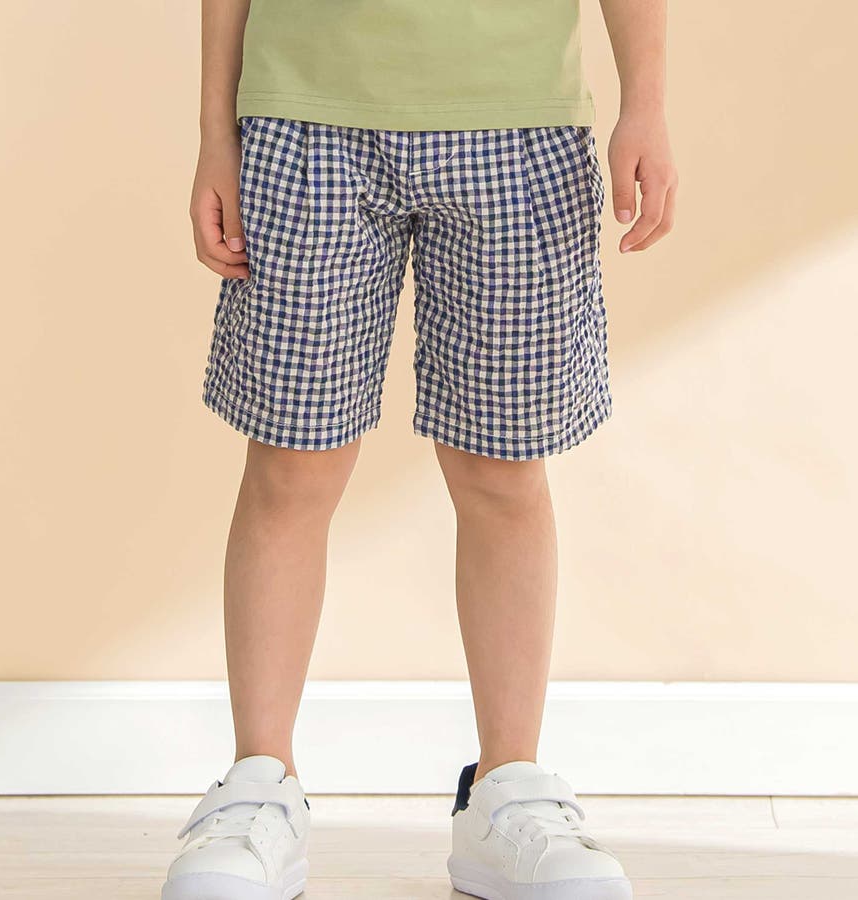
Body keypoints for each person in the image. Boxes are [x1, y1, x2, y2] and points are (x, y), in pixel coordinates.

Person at [162, 1, 676, 898]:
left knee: (504, 470)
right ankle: (259, 788)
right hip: (305, 118)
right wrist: (215, 131)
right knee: (290, 465)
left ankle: (507, 793)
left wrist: (648, 104)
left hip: (517, 123)